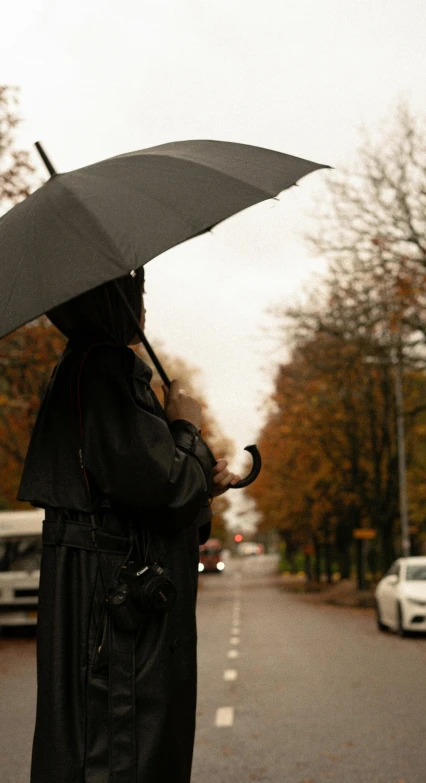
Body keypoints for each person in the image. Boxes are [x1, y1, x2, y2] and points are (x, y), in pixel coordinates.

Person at [18, 268, 238, 782]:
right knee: (120, 753)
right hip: (117, 618)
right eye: (132, 296)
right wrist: (184, 426)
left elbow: (159, 496)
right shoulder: (103, 372)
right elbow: (164, 492)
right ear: (107, 304)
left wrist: (201, 475)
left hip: (108, 603)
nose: (143, 310)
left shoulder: (92, 369)